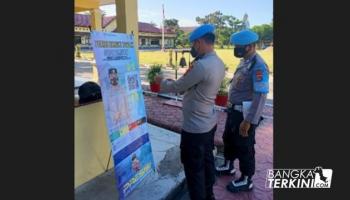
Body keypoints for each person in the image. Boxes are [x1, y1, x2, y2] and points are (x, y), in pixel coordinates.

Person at [154, 24, 225, 200]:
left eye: (193, 44)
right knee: (207, 161)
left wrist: (162, 81)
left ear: (200, 43)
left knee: (194, 170)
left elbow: (179, 86)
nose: (192, 48)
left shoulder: (201, 66)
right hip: (209, 123)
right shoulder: (218, 62)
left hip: (195, 128)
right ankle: (209, 195)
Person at [215, 29, 269, 193]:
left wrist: (249, 121)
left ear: (251, 46)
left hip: (245, 115)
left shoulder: (258, 65)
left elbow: (260, 95)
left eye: (240, 46)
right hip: (234, 111)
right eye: (236, 45)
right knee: (228, 139)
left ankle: (247, 179)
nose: (236, 49)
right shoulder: (244, 61)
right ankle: (228, 166)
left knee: (245, 146)